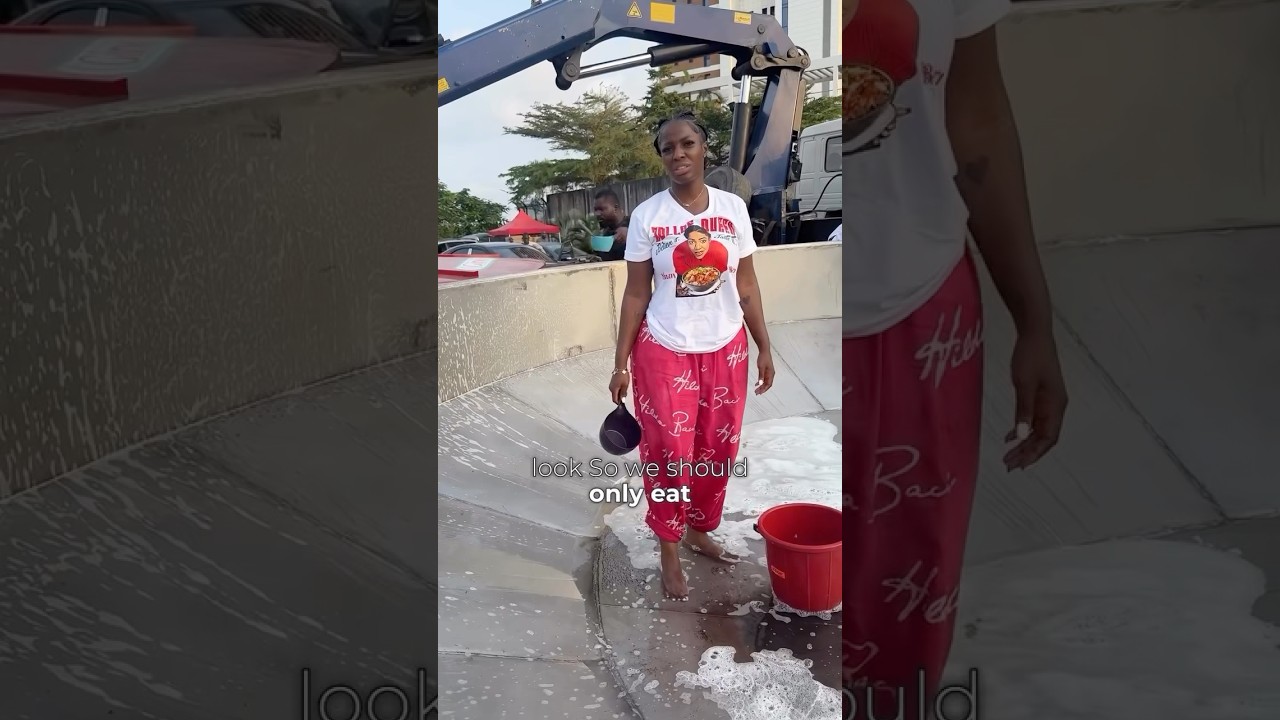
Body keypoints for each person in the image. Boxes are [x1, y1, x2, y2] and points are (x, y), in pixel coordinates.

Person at [842, 0, 1069, 715]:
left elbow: (975, 123)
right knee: (787, 586)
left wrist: (1034, 318)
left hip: (923, 311)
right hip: (781, 312)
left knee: (906, 601)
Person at [608, 111, 776, 601]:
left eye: (686, 144)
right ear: (661, 155)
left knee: (715, 452)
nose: (677, 154)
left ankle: (700, 531)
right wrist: (620, 364)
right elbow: (636, 295)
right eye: (667, 147)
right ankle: (667, 546)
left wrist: (764, 344)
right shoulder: (648, 217)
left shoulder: (732, 210)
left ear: (705, 148)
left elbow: (745, 284)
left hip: (727, 348)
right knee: (667, 455)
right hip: (664, 349)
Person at [592, 188, 630, 261]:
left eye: (601, 209)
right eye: (595, 210)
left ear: (615, 208)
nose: (597, 214)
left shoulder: (634, 225)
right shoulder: (605, 233)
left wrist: (630, 234)